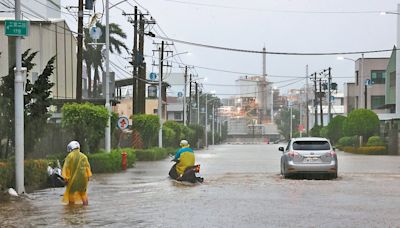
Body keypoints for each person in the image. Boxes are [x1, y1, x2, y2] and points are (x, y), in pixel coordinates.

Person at [62, 141, 92, 205]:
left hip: (74, 179)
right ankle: (86, 207)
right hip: (84, 179)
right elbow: (88, 167)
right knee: (83, 193)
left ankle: (72, 209)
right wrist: (88, 177)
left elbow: (65, 167)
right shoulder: (84, 156)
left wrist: (65, 178)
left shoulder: (70, 156)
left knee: (71, 193)